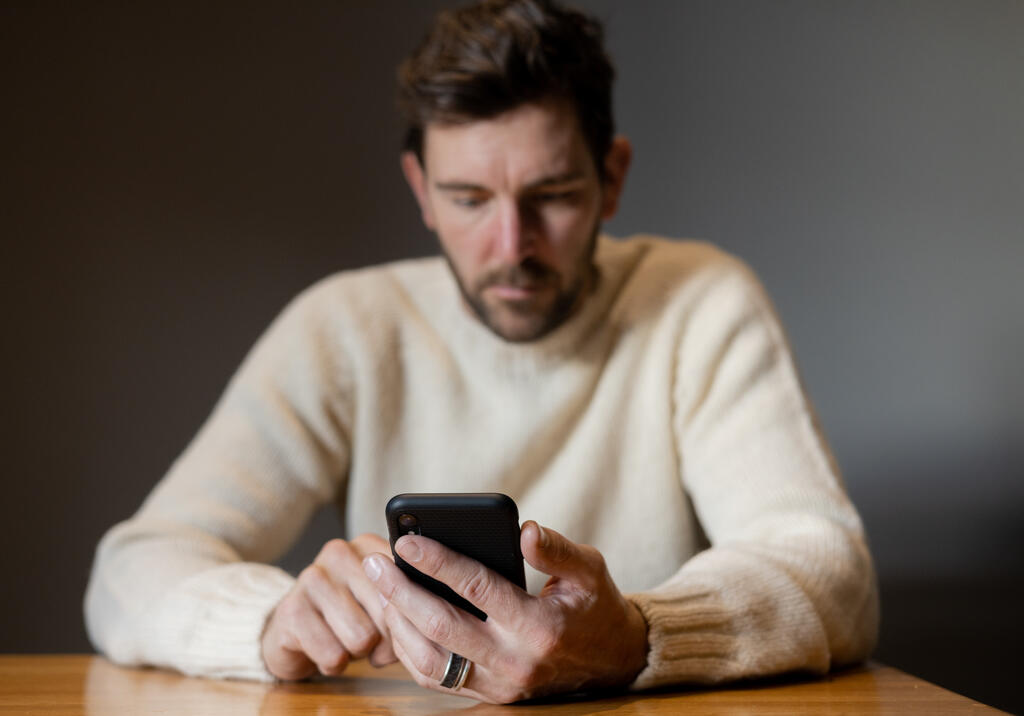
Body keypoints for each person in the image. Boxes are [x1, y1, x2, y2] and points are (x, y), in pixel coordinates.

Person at [84, 0, 878, 704]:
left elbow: (831, 572)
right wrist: (269, 622)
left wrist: (636, 638)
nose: (511, 246)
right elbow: (130, 573)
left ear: (613, 177)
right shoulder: (347, 326)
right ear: (421, 190)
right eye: (469, 199)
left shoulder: (700, 302)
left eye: (554, 196)